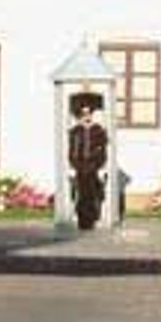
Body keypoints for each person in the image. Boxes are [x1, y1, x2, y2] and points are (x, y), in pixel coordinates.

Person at [67, 95, 107, 230]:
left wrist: (102, 166)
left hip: (93, 166)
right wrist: (71, 166)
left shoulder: (98, 130)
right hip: (79, 166)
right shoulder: (75, 131)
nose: (86, 116)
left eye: (89, 113)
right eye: (84, 113)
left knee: (93, 194)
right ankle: (82, 220)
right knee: (81, 194)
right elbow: (72, 150)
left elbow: (103, 149)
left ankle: (92, 218)